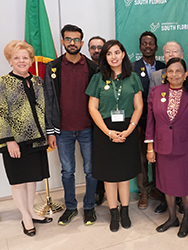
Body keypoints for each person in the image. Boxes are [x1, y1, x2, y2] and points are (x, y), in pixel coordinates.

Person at [86, 40, 143, 232]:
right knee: (109, 177)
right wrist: (108, 132)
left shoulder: (133, 77)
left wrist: (130, 129)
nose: (114, 57)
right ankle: (113, 212)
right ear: (105, 57)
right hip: (105, 131)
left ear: (124, 54)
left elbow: (139, 106)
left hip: (128, 129)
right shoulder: (98, 79)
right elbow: (92, 108)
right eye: (109, 53)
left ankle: (125, 211)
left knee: (124, 175)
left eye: (117, 52)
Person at [146, 58, 188, 238]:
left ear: (186, 74)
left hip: (186, 148)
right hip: (163, 147)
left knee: (186, 186)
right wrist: (150, 147)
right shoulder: (157, 92)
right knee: (167, 185)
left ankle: (186, 218)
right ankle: (172, 218)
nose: (174, 75)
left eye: (178, 71)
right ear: (165, 74)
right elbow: (151, 122)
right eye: (170, 71)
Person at [44, 24, 98, 226]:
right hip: (62, 130)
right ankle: (70, 207)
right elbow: (49, 100)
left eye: (76, 40)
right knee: (67, 171)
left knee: (91, 171)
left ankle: (90, 207)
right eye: (68, 39)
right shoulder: (53, 67)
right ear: (62, 41)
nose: (72, 43)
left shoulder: (93, 68)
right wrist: (51, 131)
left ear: (82, 42)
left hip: (88, 129)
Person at [0, 40, 52, 237]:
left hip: (36, 138)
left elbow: (43, 110)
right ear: (10, 60)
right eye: (16, 58)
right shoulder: (2, 82)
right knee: (19, 181)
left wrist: (49, 134)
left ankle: (31, 212)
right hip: (14, 141)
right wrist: (8, 140)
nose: (22, 61)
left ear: (31, 60)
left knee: (31, 179)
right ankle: (25, 217)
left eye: (25, 57)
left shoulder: (37, 80)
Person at [132, 31, 166, 210]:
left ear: (156, 47)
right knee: (142, 160)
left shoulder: (164, 67)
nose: (147, 46)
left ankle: (160, 191)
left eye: (151, 43)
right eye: (144, 43)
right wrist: (136, 123)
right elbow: (130, 98)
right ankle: (144, 192)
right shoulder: (131, 68)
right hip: (140, 122)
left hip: (160, 123)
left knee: (160, 159)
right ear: (139, 47)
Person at [88, 36, 106, 206]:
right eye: (93, 47)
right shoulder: (86, 67)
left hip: (111, 120)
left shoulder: (113, 69)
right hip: (90, 120)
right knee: (95, 158)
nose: (96, 50)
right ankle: (98, 191)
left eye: (100, 47)